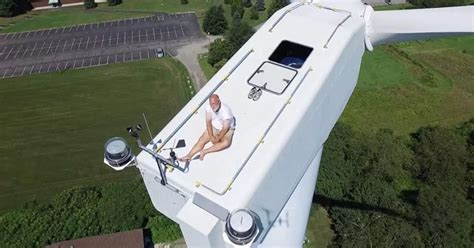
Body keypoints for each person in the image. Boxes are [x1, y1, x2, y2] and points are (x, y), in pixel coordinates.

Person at [179, 94, 235, 161]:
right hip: (215, 126)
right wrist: (211, 136)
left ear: (219, 101)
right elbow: (208, 123)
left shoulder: (226, 111)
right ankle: (189, 155)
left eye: (214, 103)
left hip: (227, 129)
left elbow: (225, 128)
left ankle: (205, 151)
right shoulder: (208, 108)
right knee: (202, 139)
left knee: (226, 143)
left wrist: (217, 138)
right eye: (211, 104)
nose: (212, 106)